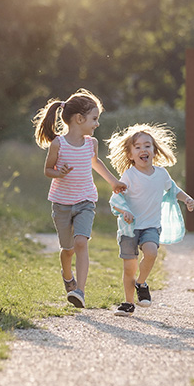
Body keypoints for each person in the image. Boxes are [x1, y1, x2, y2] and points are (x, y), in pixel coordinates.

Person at [32, 89, 126, 308]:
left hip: (85, 201)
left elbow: (96, 163)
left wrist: (113, 182)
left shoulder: (91, 143)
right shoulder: (58, 144)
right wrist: (59, 172)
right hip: (62, 203)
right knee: (68, 250)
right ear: (79, 119)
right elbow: (47, 170)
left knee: (81, 242)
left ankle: (80, 291)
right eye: (94, 119)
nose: (97, 124)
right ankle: (67, 276)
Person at [105, 123, 194, 317]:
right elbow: (116, 198)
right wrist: (125, 210)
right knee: (129, 267)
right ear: (130, 155)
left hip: (151, 226)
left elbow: (173, 190)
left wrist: (186, 198)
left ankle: (141, 283)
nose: (143, 150)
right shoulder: (129, 175)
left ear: (154, 151)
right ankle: (128, 303)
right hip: (129, 228)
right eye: (137, 147)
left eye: (147, 146)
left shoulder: (161, 174)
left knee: (151, 253)